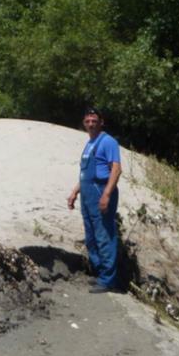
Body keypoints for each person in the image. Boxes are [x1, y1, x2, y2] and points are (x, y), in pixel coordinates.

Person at [66, 107, 122, 293]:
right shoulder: (89, 143)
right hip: (87, 194)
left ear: (101, 122)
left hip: (100, 193)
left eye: (94, 121)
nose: (91, 124)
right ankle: (100, 274)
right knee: (91, 236)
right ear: (84, 123)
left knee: (104, 236)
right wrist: (75, 192)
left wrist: (106, 194)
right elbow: (85, 174)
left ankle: (108, 280)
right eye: (88, 121)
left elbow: (116, 170)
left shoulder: (108, 142)